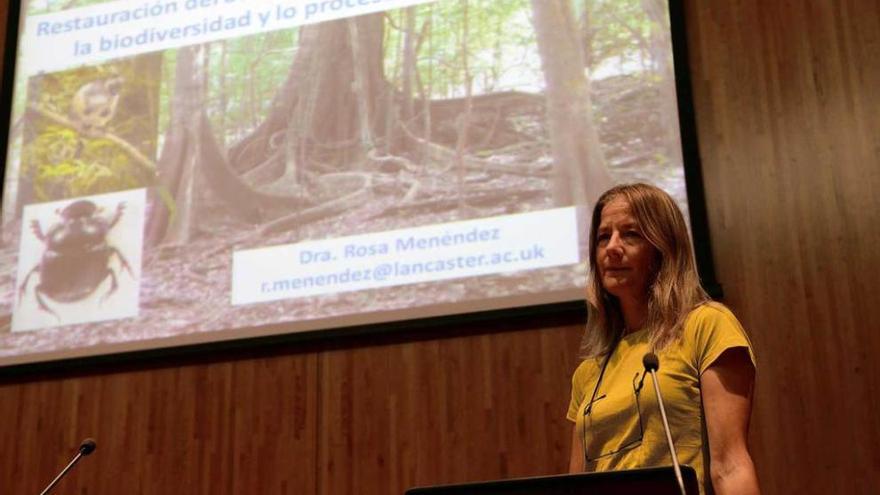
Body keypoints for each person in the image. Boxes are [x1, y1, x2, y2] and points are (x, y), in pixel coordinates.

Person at [567, 183, 760, 495]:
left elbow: (730, 465)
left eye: (631, 234)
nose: (612, 247)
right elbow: (574, 487)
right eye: (604, 237)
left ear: (663, 246)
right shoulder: (588, 373)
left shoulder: (706, 325)